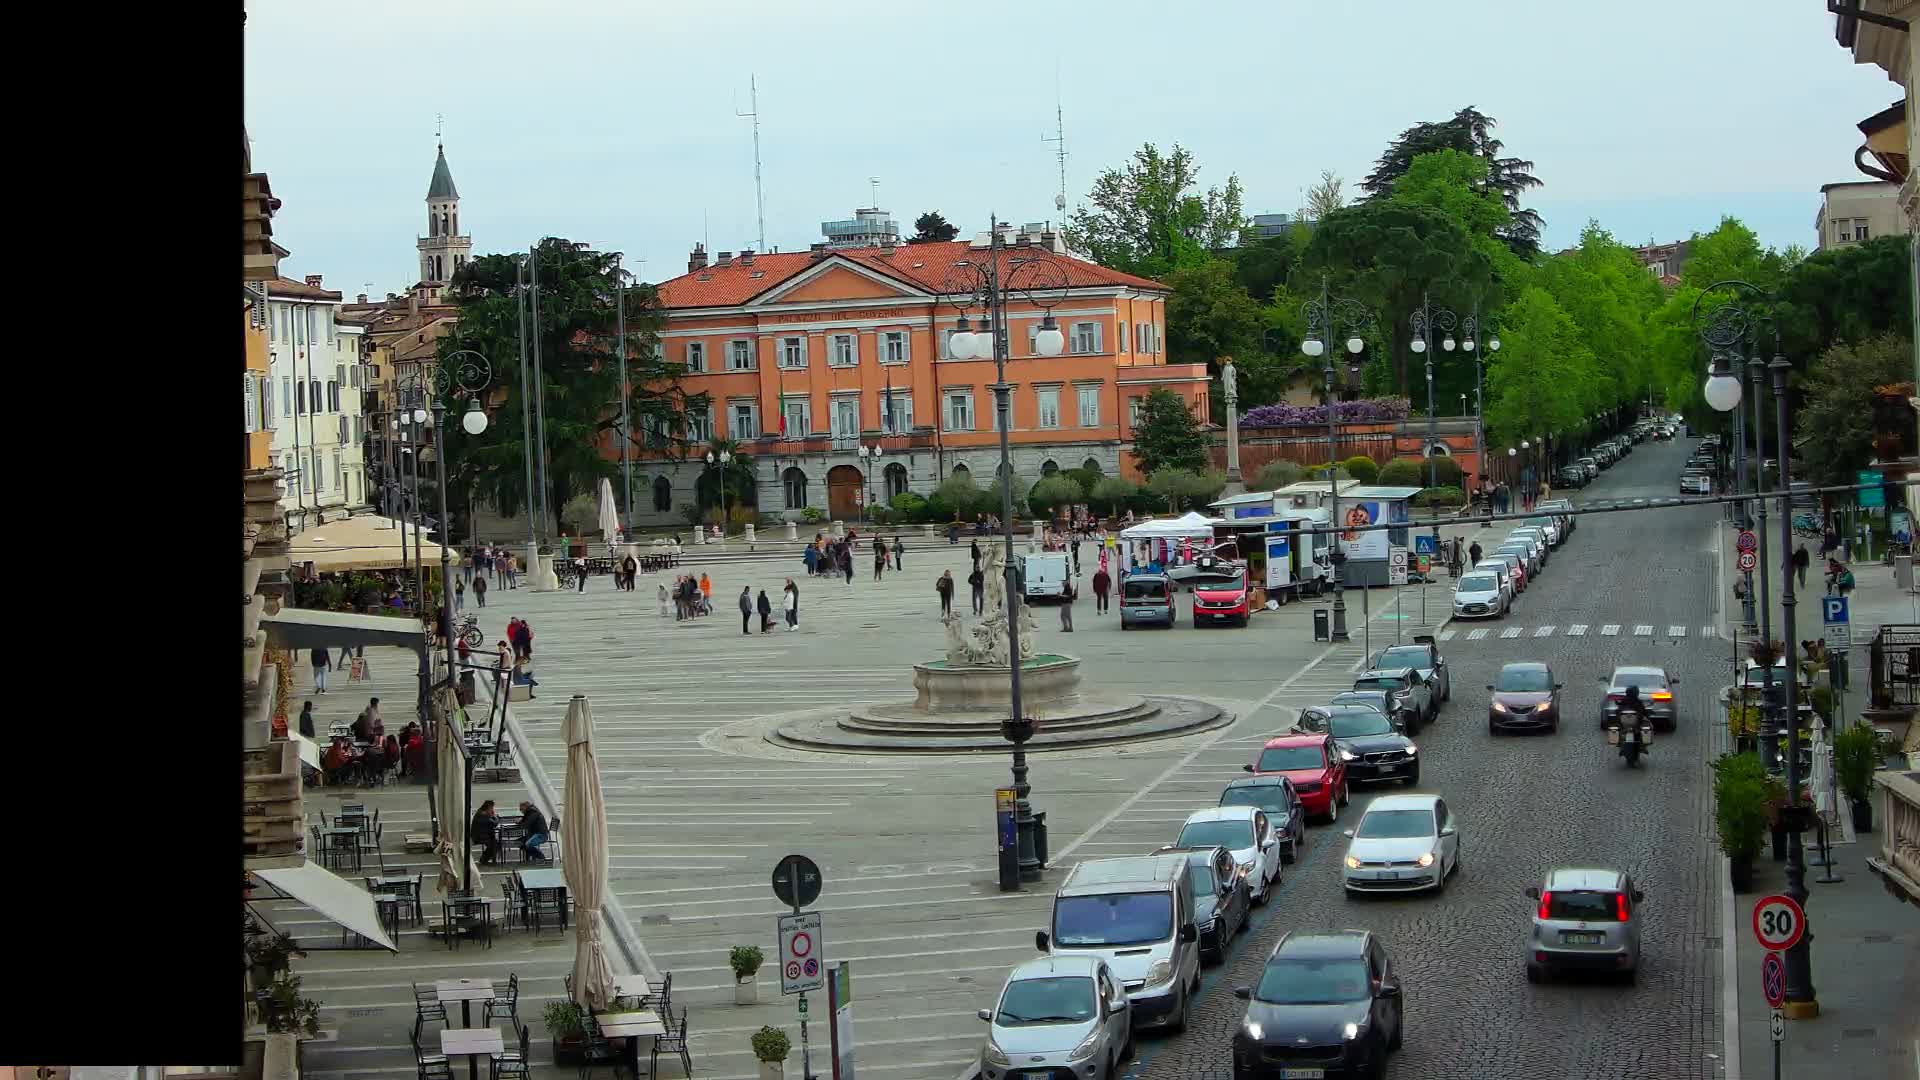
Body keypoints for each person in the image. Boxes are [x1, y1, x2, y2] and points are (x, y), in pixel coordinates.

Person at [472, 800, 501, 865]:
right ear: (488, 807)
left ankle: (484, 859)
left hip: (483, 835)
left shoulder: (481, 813)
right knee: (495, 844)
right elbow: (494, 823)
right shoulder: (483, 815)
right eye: (492, 808)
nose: (492, 809)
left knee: (495, 842)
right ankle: (484, 859)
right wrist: (494, 816)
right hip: (479, 836)